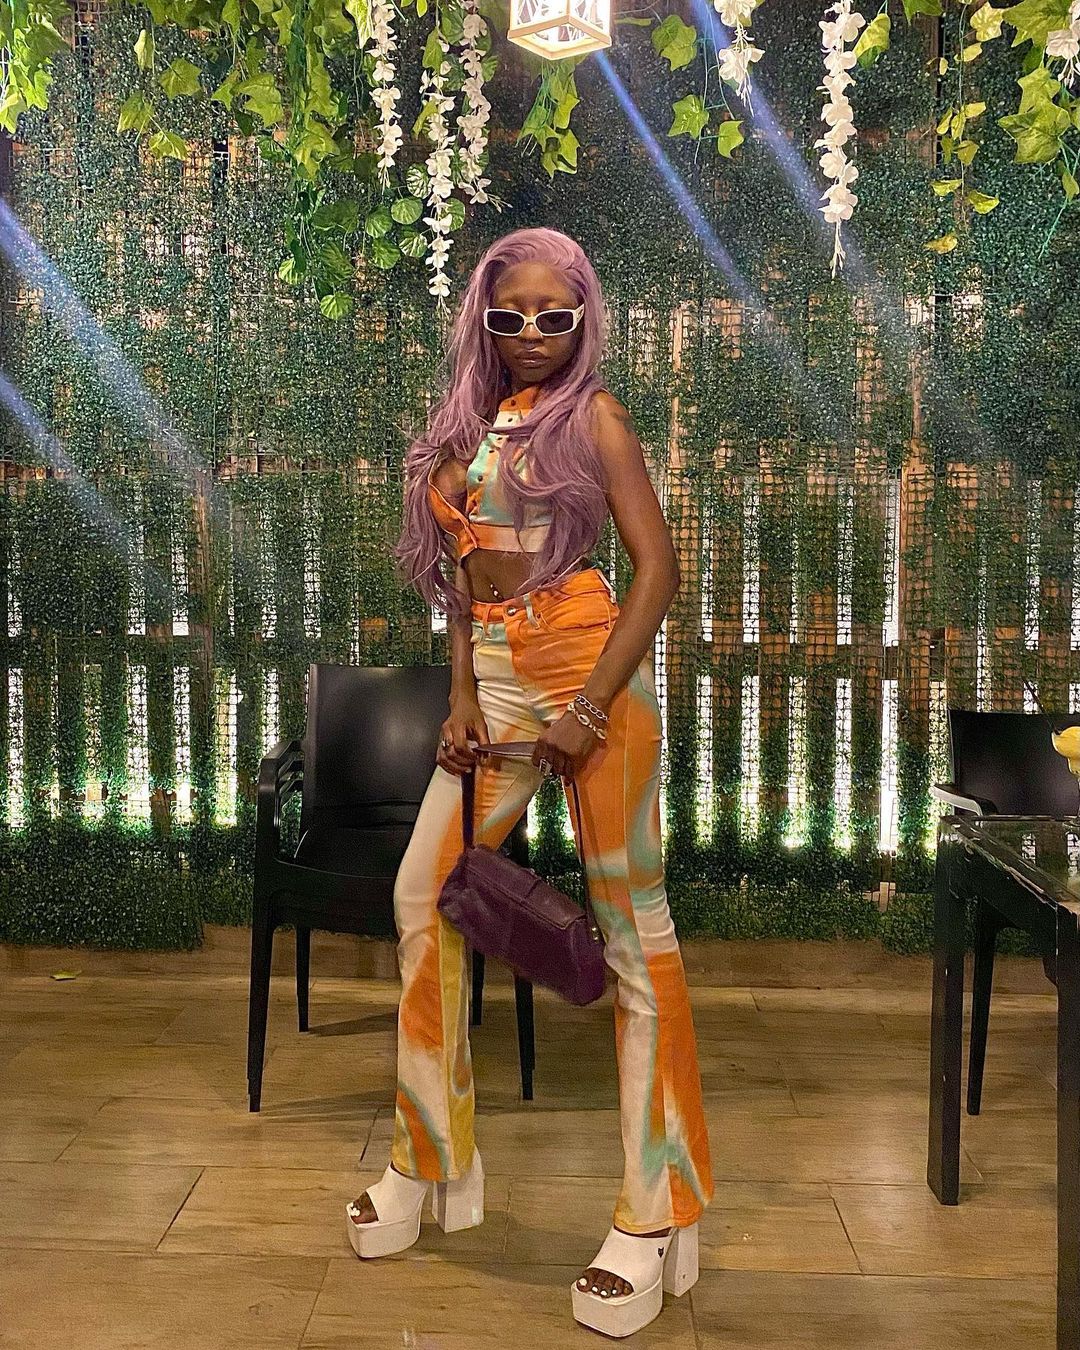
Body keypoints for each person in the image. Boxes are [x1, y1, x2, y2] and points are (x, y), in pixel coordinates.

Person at [344, 226, 714, 1338]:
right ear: (485, 321)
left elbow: (659, 570)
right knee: (424, 895)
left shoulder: (596, 419)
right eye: (513, 316)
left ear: (584, 317)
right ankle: (430, 1157)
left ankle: (656, 1209)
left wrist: (589, 707)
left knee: (634, 936)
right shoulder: (465, 425)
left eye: (558, 315)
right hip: (497, 681)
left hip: (589, 670)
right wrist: (461, 692)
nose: (535, 333)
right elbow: (464, 582)